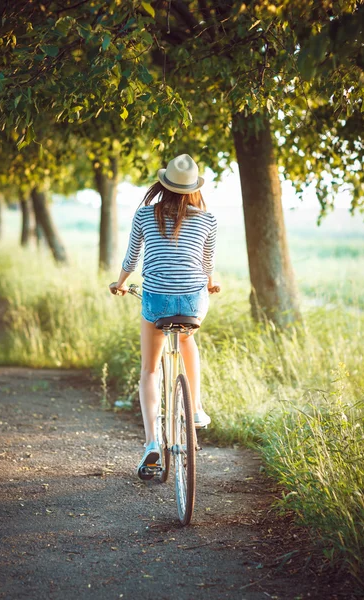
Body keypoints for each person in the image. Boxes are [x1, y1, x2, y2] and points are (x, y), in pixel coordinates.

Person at [109, 154, 219, 476]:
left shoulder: (144, 215)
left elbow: (131, 260)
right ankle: (195, 408)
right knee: (188, 339)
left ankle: (151, 443)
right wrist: (210, 284)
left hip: (156, 301)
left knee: (149, 369)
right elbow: (206, 264)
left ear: (164, 184)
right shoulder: (208, 220)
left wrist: (119, 284)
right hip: (193, 302)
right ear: (193, 188)